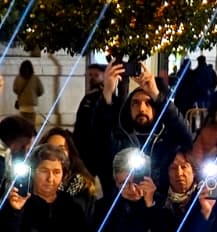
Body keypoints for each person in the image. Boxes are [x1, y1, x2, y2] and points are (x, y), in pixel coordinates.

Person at [82, 61, 193, 193]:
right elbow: (99, 134)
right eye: (135, 103)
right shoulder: (120, 138)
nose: (141, 109)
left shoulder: (167, 139)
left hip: (158, 202)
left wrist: (156, 94)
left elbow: (185, 135)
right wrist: (107, 93)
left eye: (148, 103)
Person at [41, 127, 102, 213]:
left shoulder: (85, 188)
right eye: (50, 149)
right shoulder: (33, 184)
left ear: (70, 152)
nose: (55, 153)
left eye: (61, 149)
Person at [13, 60, 44, 125]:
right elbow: (41, 91)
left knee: (23, 124)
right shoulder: (35, 78)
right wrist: (34, 95)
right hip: (32, 106)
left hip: (22, 105)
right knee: (31, 124)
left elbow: (15, 90)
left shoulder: (18, 78)